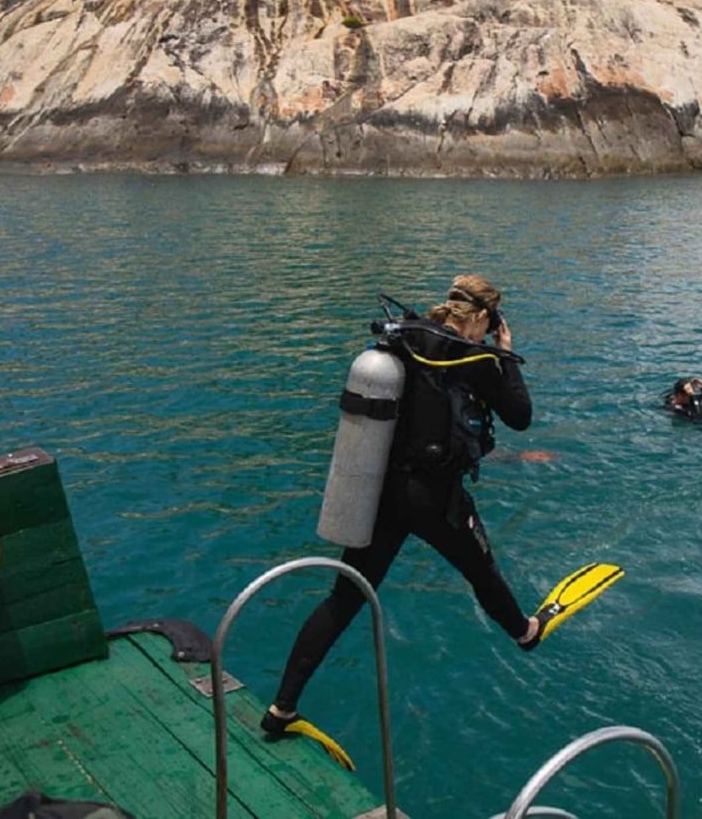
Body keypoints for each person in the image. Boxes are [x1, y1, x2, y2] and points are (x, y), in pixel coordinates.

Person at [262, 275, 621, 757]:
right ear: (489, 319)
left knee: (344, 598)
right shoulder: (477, 357)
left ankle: (282, 707)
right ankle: (525, 631)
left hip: (380, 491)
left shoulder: (405, 338)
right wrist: (506, 352)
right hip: (434, 497)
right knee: (481, 570)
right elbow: (520, 416)